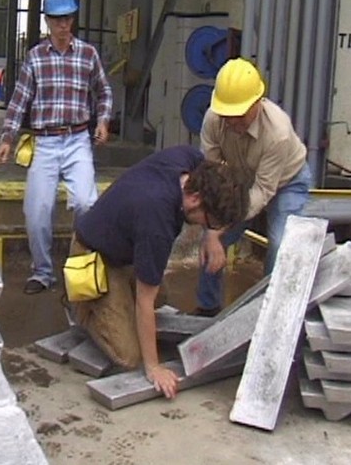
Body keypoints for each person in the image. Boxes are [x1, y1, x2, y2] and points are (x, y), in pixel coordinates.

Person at [71, 145, 248, 399]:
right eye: (207, 223)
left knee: (161, 298)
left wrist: (212, 235)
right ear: (196, 199)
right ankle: (81, 304)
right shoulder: (157, 221)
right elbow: (144, 300)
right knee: (129, 354)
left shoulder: (188, 160)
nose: (203, 228)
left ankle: (115, 297)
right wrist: (153, 367)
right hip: (93, 255)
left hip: (124, 245)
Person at [0, 0, 112, 295]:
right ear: (47, 21)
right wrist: (7, 138)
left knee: (87, 203)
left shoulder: (87, 55)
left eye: (68, 19)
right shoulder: (35, 58)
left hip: (77, 140)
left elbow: (104, 92)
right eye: (58, 20)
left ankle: (80, 268)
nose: (63, 25)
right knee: (37, 211)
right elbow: (19, 101)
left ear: (73, 19)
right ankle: (43, 272)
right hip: (45, 142)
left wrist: (103, 121)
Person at [196, 57, 312, 316]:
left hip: (286, 182)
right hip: (242, 178)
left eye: (240, 114)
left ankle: (269, 314)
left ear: (257, 103)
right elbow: (211, 177)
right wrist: (213, 230)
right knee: (211, 239)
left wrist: (216, 228)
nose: (234, 121)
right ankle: (207, 310)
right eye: (229, 114)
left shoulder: (278, 132)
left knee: (281, 244)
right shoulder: (213, 120)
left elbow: (262, 193)